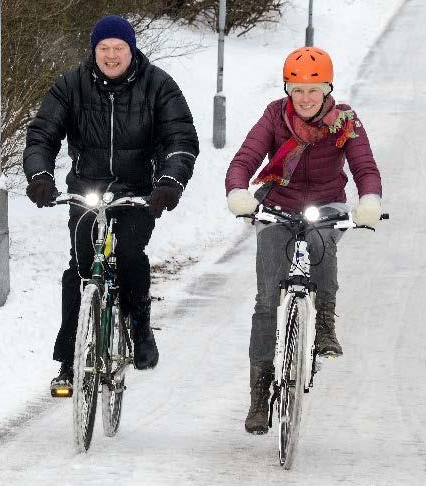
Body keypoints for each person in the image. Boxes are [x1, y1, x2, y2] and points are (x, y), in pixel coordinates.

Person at [23, 15, 199, 395]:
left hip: (137, 193)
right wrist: (39, 176)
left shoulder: (159, 85)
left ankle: (139, 328)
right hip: (87, 188)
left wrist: (168, 181)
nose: (112, 56)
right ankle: (69, 362)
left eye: (119, 48)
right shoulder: (71, 85)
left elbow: (181, 138)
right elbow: (42, 135)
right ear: (94, 51)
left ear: (131, 49)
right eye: (105, 49)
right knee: (82, 265)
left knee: (130, 254)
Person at [224, 47, 382, 434]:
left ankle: (325, 320)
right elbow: (245, 158)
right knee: (265, 299)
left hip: (325, 204)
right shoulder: (273, 116)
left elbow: (364, 165)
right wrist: (237, 191)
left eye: (314, 90)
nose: (306, 98)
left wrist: (369, 199)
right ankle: (259, 397)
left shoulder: (345, 121)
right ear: (287, 91)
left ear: (328, 90)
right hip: (278, 205)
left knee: (321, 240)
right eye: (298, 91)